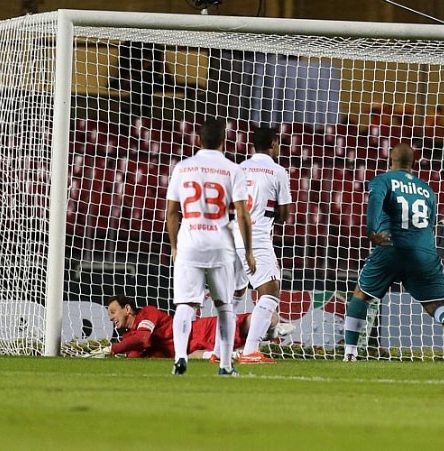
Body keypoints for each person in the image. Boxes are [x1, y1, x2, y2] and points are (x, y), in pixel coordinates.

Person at [342, 143, 444, 362]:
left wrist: (372, 231)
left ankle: (350, 352)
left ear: (391, 160)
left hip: (390, 248)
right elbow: (431, 224)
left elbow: (374, 202)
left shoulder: (382, 180)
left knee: (361, 294)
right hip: (424, 252)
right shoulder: (427, 189)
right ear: (412, 163)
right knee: (436, 304)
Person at [166, 117, 256, 377]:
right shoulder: (233, 169)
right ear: (223, 141)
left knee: (185, 303)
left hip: (190, 243)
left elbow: (172, 213)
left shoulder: (182, 168)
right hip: (220, 245)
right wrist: (248, 251)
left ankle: (181, 357)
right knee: (224, 305)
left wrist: (174, 245)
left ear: (198, 140)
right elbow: (242, 214)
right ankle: (225, 365)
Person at [224, 126, 293, 364]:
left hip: (230, 235)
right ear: (274, 143)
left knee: (234, 294)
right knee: (271, 292)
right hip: (256, 237)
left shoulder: (239, 168)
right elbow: (284, 215)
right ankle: (251, 350)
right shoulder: (278, 171)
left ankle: (217, 351)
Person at [92, 295, 294, 358]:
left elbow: (143, 338)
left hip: (199, 330)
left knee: (271, 317)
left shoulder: (147, 313)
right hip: (191, 352)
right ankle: (263, 335)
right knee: (197, 358)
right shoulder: (129, 337)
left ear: (127, 309)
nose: (111, 318)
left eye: (113, 311)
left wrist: (111, 349)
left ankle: (270, 331)